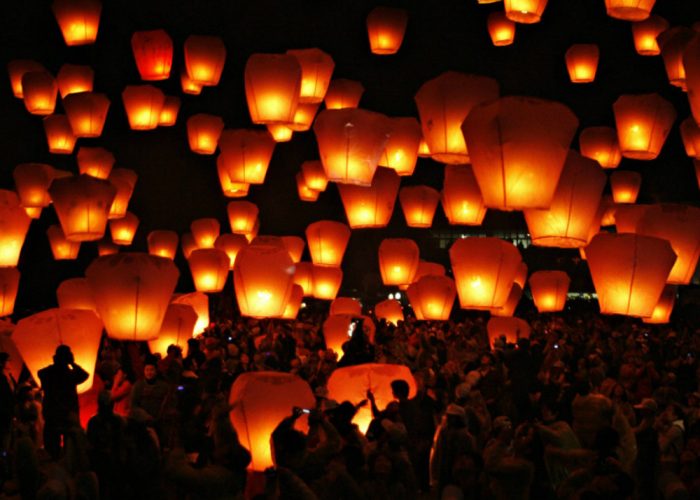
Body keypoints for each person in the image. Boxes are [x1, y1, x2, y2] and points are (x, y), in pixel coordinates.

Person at [38, 345, 89, 460]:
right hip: (68, 415)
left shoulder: (48, 373)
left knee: (52, 451)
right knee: (69, 451)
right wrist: (72, 363)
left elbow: (40, 372)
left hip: (52, 414)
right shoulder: (70, 375)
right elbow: (84, 375)